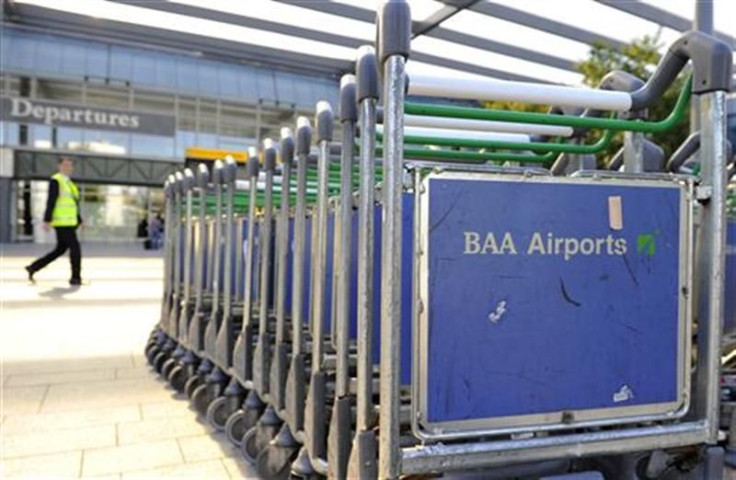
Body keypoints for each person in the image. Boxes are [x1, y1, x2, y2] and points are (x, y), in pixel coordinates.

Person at [25, 157, 83, 286]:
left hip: (70, 223)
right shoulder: (56, 180)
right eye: (65, 165)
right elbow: (51, 200)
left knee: (60, 249)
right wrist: (47, 220)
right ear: (59, 166)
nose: (68, 168)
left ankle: (33, 267)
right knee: (75, 249)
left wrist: (80, 220)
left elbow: (73, 204)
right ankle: (76, 278)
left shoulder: (69, 183)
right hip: (62, 223)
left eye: (70, 166)